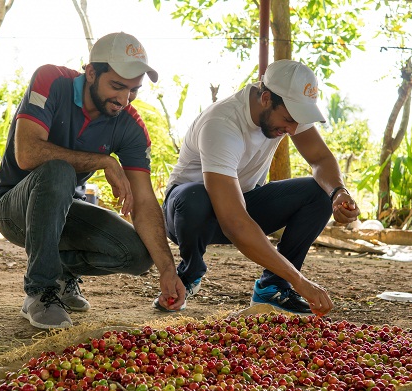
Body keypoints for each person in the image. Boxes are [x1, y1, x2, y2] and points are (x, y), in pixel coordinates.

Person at [0, 32, 186, 330]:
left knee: (137, 255)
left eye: (134, 90)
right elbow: (27, 153)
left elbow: (145, 202)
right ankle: (41, 291)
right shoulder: (50, 80)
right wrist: (103, 161)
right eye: (117, 86)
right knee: (58, 171)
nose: (124, 99)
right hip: (12, 209)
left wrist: (168, 270)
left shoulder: (130, 126)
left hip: (66, 209)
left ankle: (64, 272)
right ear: (91, 72)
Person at [153, 59, 360, 316]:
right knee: (195, 197)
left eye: (297, 121)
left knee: (319, 193)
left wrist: (339, 192)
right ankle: (188, 275)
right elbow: (234, 222)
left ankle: (273, 288)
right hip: (188, 214)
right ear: (265, 98)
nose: (293, 129)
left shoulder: (289, 111)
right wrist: (300, 281)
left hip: (242, 202)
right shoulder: (223, 123)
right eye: (288, 119)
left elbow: (320, 159)